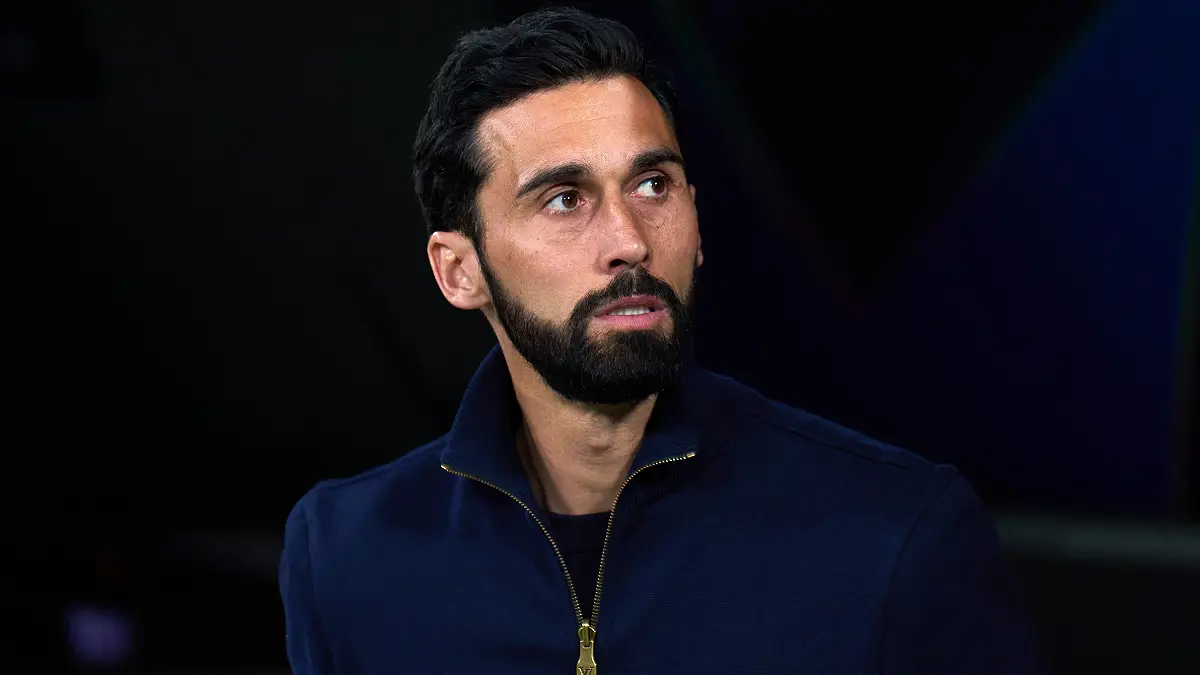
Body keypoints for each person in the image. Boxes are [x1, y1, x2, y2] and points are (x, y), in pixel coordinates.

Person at [279, 6, 1043, 674]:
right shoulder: (349, 554)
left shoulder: (897, 538)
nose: (629, 240)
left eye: (653, 186)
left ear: (698, 221)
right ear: (459, 270)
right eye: (565, 198)